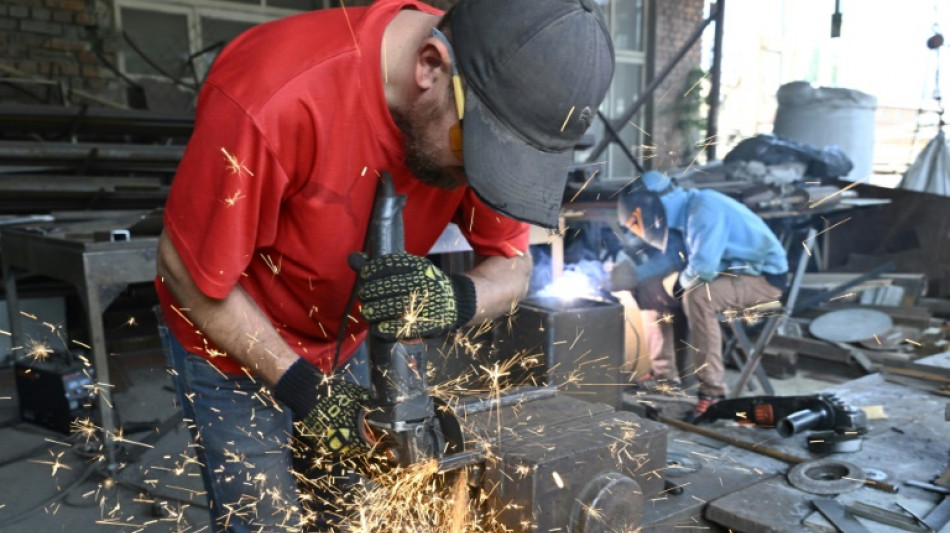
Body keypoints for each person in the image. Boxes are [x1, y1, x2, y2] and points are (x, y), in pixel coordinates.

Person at [154, 0, 614, 530]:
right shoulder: (272, 96)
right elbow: (185, 269)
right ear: (430, 66)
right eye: (478, 153)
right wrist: (303, 387)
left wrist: (455, 298)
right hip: (232, 343)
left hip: (345, 340)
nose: (478, 176)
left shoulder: (480, 112)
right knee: (263, 519)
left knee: (352, 514)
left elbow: (513, 269)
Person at [615, 171, 788, 419]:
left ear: (653, 205)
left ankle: (713, 392)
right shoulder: (683, 216)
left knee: (698, 295)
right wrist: (643, 281)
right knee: (651, 293)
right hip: (727, 274)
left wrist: (669, 288)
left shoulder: (704, 209)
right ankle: (665, 377)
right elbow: (673, 261)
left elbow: (703, 270)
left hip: (764, 280)